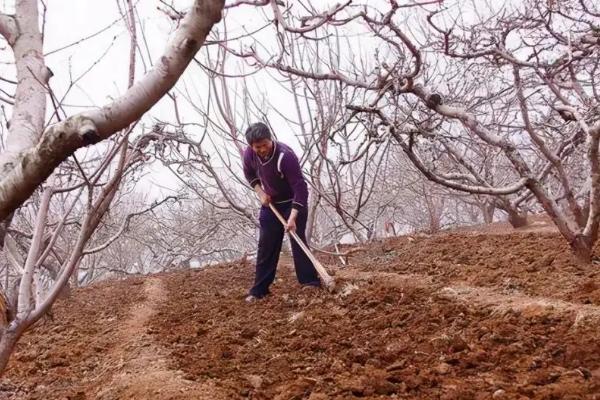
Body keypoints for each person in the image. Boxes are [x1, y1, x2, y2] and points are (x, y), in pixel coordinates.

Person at [242, 122, 321, 302]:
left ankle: (309, 282)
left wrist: (292, 217)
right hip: (271, 204)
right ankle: (259, 290)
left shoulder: (285, 156)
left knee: (297, 239)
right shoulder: (250, 155)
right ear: (251, 146)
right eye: (257, 147)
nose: (262, 149)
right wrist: (261, 192)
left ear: (270, 139)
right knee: (266, 245)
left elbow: (300, 188)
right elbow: (249, 175)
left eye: (264, 144)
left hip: (293, 202)